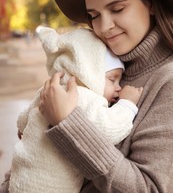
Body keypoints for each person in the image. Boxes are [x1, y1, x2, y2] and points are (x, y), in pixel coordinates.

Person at [1, 0, 173, 192]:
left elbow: (148, 187)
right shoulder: (93, 62)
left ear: (149, 2)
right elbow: (38, 156)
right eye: (93, 15)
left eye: (117, 9)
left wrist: (67, 124)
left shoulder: (167, 82)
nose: (104, 27)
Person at [8, 27, 142, 193]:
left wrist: (26, 129)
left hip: (21, 177)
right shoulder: (85, 97)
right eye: (112, 79)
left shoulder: (50, 90)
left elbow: (23, 121)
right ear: (87, 73)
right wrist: (127, 103)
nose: (118, 87)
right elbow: (110, 129)